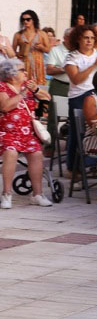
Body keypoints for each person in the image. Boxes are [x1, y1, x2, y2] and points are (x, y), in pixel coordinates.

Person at [0, 57, 52, 208]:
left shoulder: (27, 86)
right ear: (11, 73)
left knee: (36, 153)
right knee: (11, 151)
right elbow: (5, 107)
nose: (26, 72)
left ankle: (37, 194)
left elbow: (47, 99)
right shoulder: (3, 87)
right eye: (22, 70)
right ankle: (7, 194)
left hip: (27, 132)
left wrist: (35, 90)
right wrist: (22, 94)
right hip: (6, 132)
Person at [13, 10, 50, 86]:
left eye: (28, 19)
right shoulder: (18, 35)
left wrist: (41, 47)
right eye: (23, 20)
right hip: (24, 64)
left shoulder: (42, 34)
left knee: (38, 88)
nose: (25, 21)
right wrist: (20, 53)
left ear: (34, 20)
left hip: (38, 64)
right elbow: (12, 52)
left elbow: (48, 50)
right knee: (23, 86)